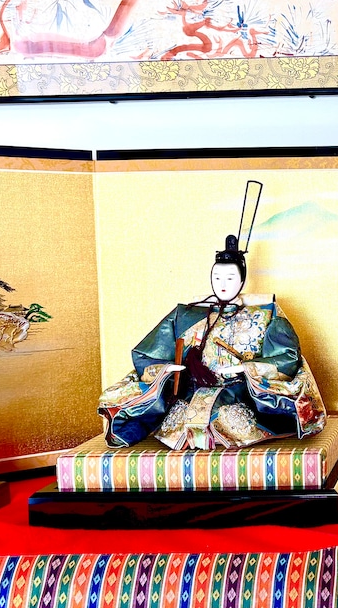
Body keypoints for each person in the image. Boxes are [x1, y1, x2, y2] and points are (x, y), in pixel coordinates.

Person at [98, 186, 325, 450]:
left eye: (230, 278)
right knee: (183, 415)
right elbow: (148, 353)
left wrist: (247, 369)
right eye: (217, 277)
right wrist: (166, 369)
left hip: (240, 392)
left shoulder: (265, 313)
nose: (223, 284)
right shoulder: (187, 314)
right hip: (193, 389)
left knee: (224, 414)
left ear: (241, 279)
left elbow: (286, 357)